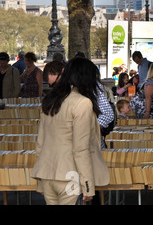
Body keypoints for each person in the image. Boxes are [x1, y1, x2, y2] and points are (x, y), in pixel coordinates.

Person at [31, 57, 110, 205]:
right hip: (71, 177)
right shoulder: (82, 103)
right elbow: (81, 149)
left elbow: (41, 142)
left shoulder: (50, 101)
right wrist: (87, 185)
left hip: (47, 174)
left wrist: (40, 180)